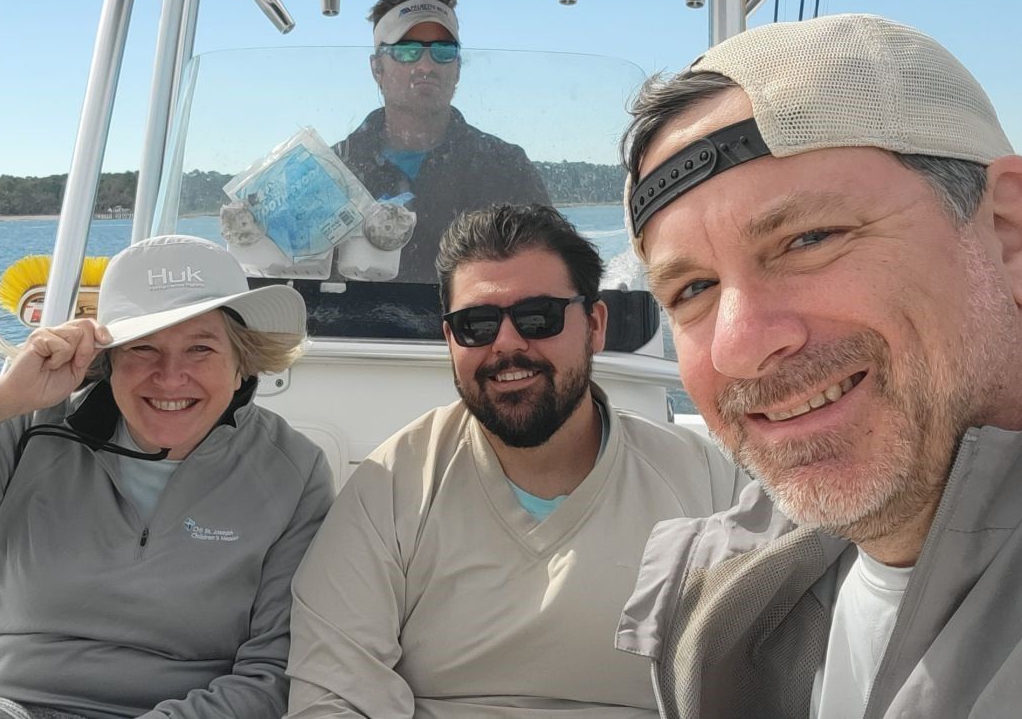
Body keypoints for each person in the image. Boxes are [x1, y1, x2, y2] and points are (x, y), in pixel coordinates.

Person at [614, 14, 1022, 718]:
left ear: (1011, 235)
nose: (739, 344)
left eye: (808, 237)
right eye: (692, 290)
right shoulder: (739, 589)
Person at [286, 203, 745, 718]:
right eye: (476, 324)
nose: (507, 343)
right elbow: (332, 694)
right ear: (450, 341)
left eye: (538, 317)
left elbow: (772, 671)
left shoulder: (706, 485)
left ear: (594, 325)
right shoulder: (392, 485)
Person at [0, 234, 335, 719]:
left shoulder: (292, 470)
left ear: (241, 364)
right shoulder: (32, 428)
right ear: (108, 362)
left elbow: (274, 671)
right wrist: (1, 398)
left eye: (200, 349)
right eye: (143, 348)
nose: (170, 377)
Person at [334, 0, 550, 282]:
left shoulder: (505, 166)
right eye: (407, 51)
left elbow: (548, 270)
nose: (425, 65)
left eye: (443, 51)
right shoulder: (334, 171)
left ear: (458, 68)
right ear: (377, 69)